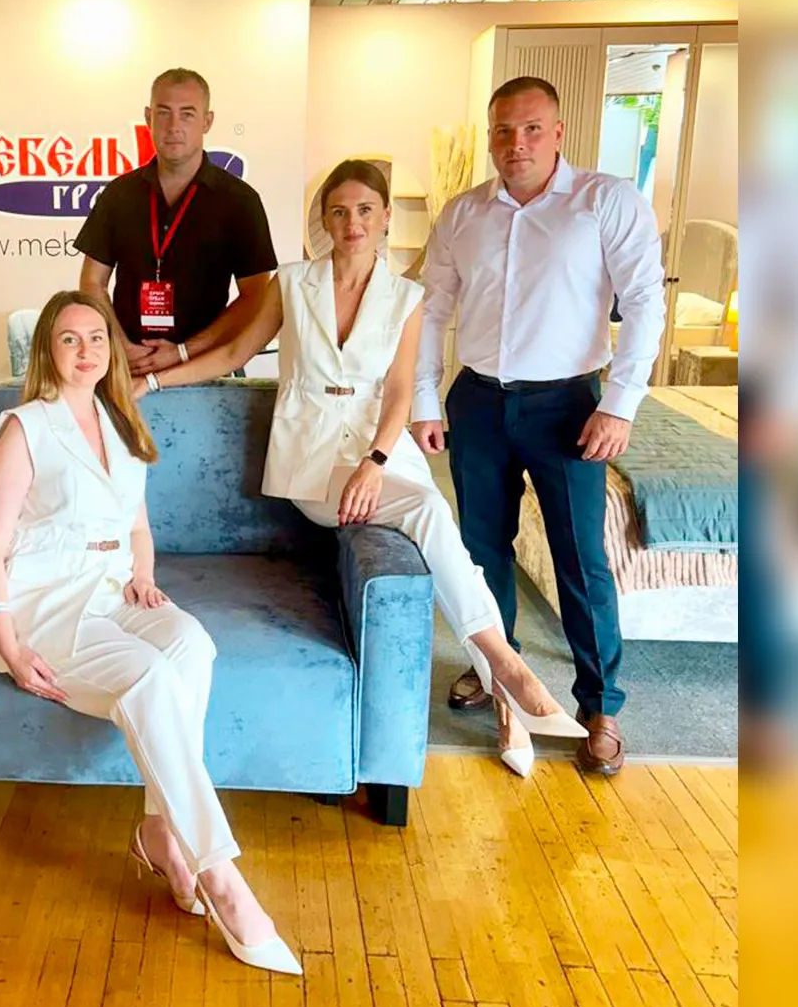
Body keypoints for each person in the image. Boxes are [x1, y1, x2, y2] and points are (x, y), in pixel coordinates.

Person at [133, 160, 586, 779]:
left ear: (385, 217)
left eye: (365, 210)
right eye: (340, 211)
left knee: (440, 532)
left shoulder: (407, 298)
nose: (353, 223)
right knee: (429, 510)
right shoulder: (293, 284)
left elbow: (399, 392)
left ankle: (507, 694)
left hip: (382, 452)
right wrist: (158, 379)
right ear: (324, 220)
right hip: (312, 460)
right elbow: (236, 350)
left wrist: (375, 462)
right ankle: (508, 667)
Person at [0, 289, 300, 975]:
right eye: (69, 338)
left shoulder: (122, 421)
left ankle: (159, 831)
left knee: (192, 644)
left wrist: (143, 577)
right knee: (148, 677)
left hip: (111, 590)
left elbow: (138, 526)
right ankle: (220, 875)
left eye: (97, 337)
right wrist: (7, 642)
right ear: (47, 351)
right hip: (43, 604)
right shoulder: (23, 428)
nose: (85, 350)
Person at [411, 76, 666, 777]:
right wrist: (425, 400)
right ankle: (496, 670)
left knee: (580, 557)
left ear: (557, 133)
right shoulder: (463, 213)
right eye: (503, 130)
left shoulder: (605, 201)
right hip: (479, 402)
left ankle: (600, 705)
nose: (515, 143)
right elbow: (431, 309)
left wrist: (621, 403)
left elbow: (645, 302)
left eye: (530, 129)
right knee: (480, 549)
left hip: (570, 407)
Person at [77, 67, 277, 377]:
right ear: (148, 117)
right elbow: (92, 282)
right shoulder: (118, 195)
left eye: (187, 114)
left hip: (206, 371)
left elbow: (256, 296)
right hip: (128, 367)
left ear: (207, 121)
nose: (174, 126)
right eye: (164, 113)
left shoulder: (240, 201)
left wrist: (184, 351)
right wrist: (119, 345)